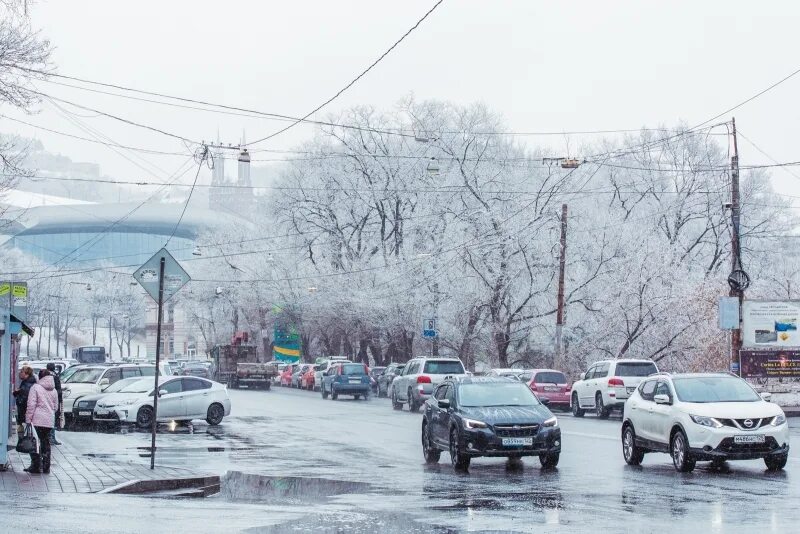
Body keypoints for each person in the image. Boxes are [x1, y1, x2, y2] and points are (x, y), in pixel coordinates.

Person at [25, 368, 58, 474]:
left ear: (40, 377)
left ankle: (36, 466)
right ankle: (46, 466)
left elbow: (31, 405)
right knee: (45, 442)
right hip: (49, 421)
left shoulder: (35, 387)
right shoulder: (54, 389)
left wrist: (28, 419)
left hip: (37, 420)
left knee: (34, 443)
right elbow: (56, 407)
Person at [13, 366, 37, 434]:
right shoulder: (26, 382)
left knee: (23, 432)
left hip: (24, 414)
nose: (19, 373)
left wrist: (17, 394)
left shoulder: (28, 384)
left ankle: (23, 441)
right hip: (24, 414)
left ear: (27, 374)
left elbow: (24, 399)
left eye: (21, 372)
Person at [46, 363, 63, 445]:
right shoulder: (55, 376)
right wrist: (59, 398)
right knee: (52, 419)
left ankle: (49, 437)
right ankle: (51, 437)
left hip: (47, 400)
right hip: (53, 400)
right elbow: (58, 389)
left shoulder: (45, 376)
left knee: (48, 419)